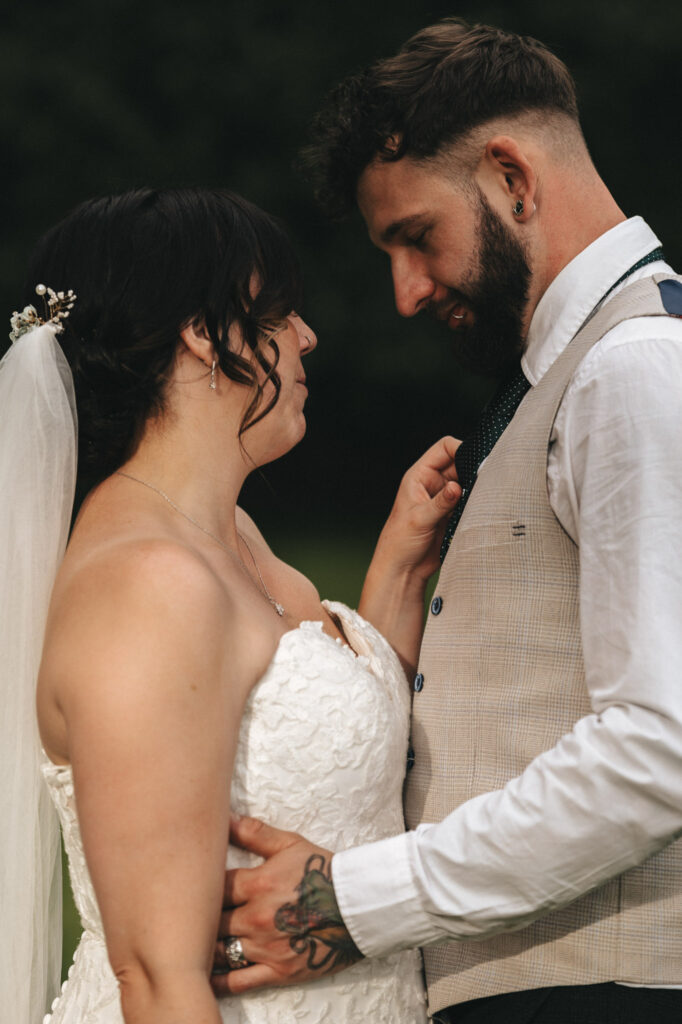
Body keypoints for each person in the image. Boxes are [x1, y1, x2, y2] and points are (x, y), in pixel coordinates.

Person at [211, 19, 682, 1024]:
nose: (406, 293)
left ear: (512, 175)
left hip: (606, 989)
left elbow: (658, 747)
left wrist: (353, 899)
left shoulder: (632, 367)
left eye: (416, 237)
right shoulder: (574, 371)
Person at [0, 186, 463, 1024]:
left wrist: (396, 574)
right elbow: (157, 973)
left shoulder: (234, 535)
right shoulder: (148, 585)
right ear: (206, 336)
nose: (307, 337)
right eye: (281, 313)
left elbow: (322, 772)